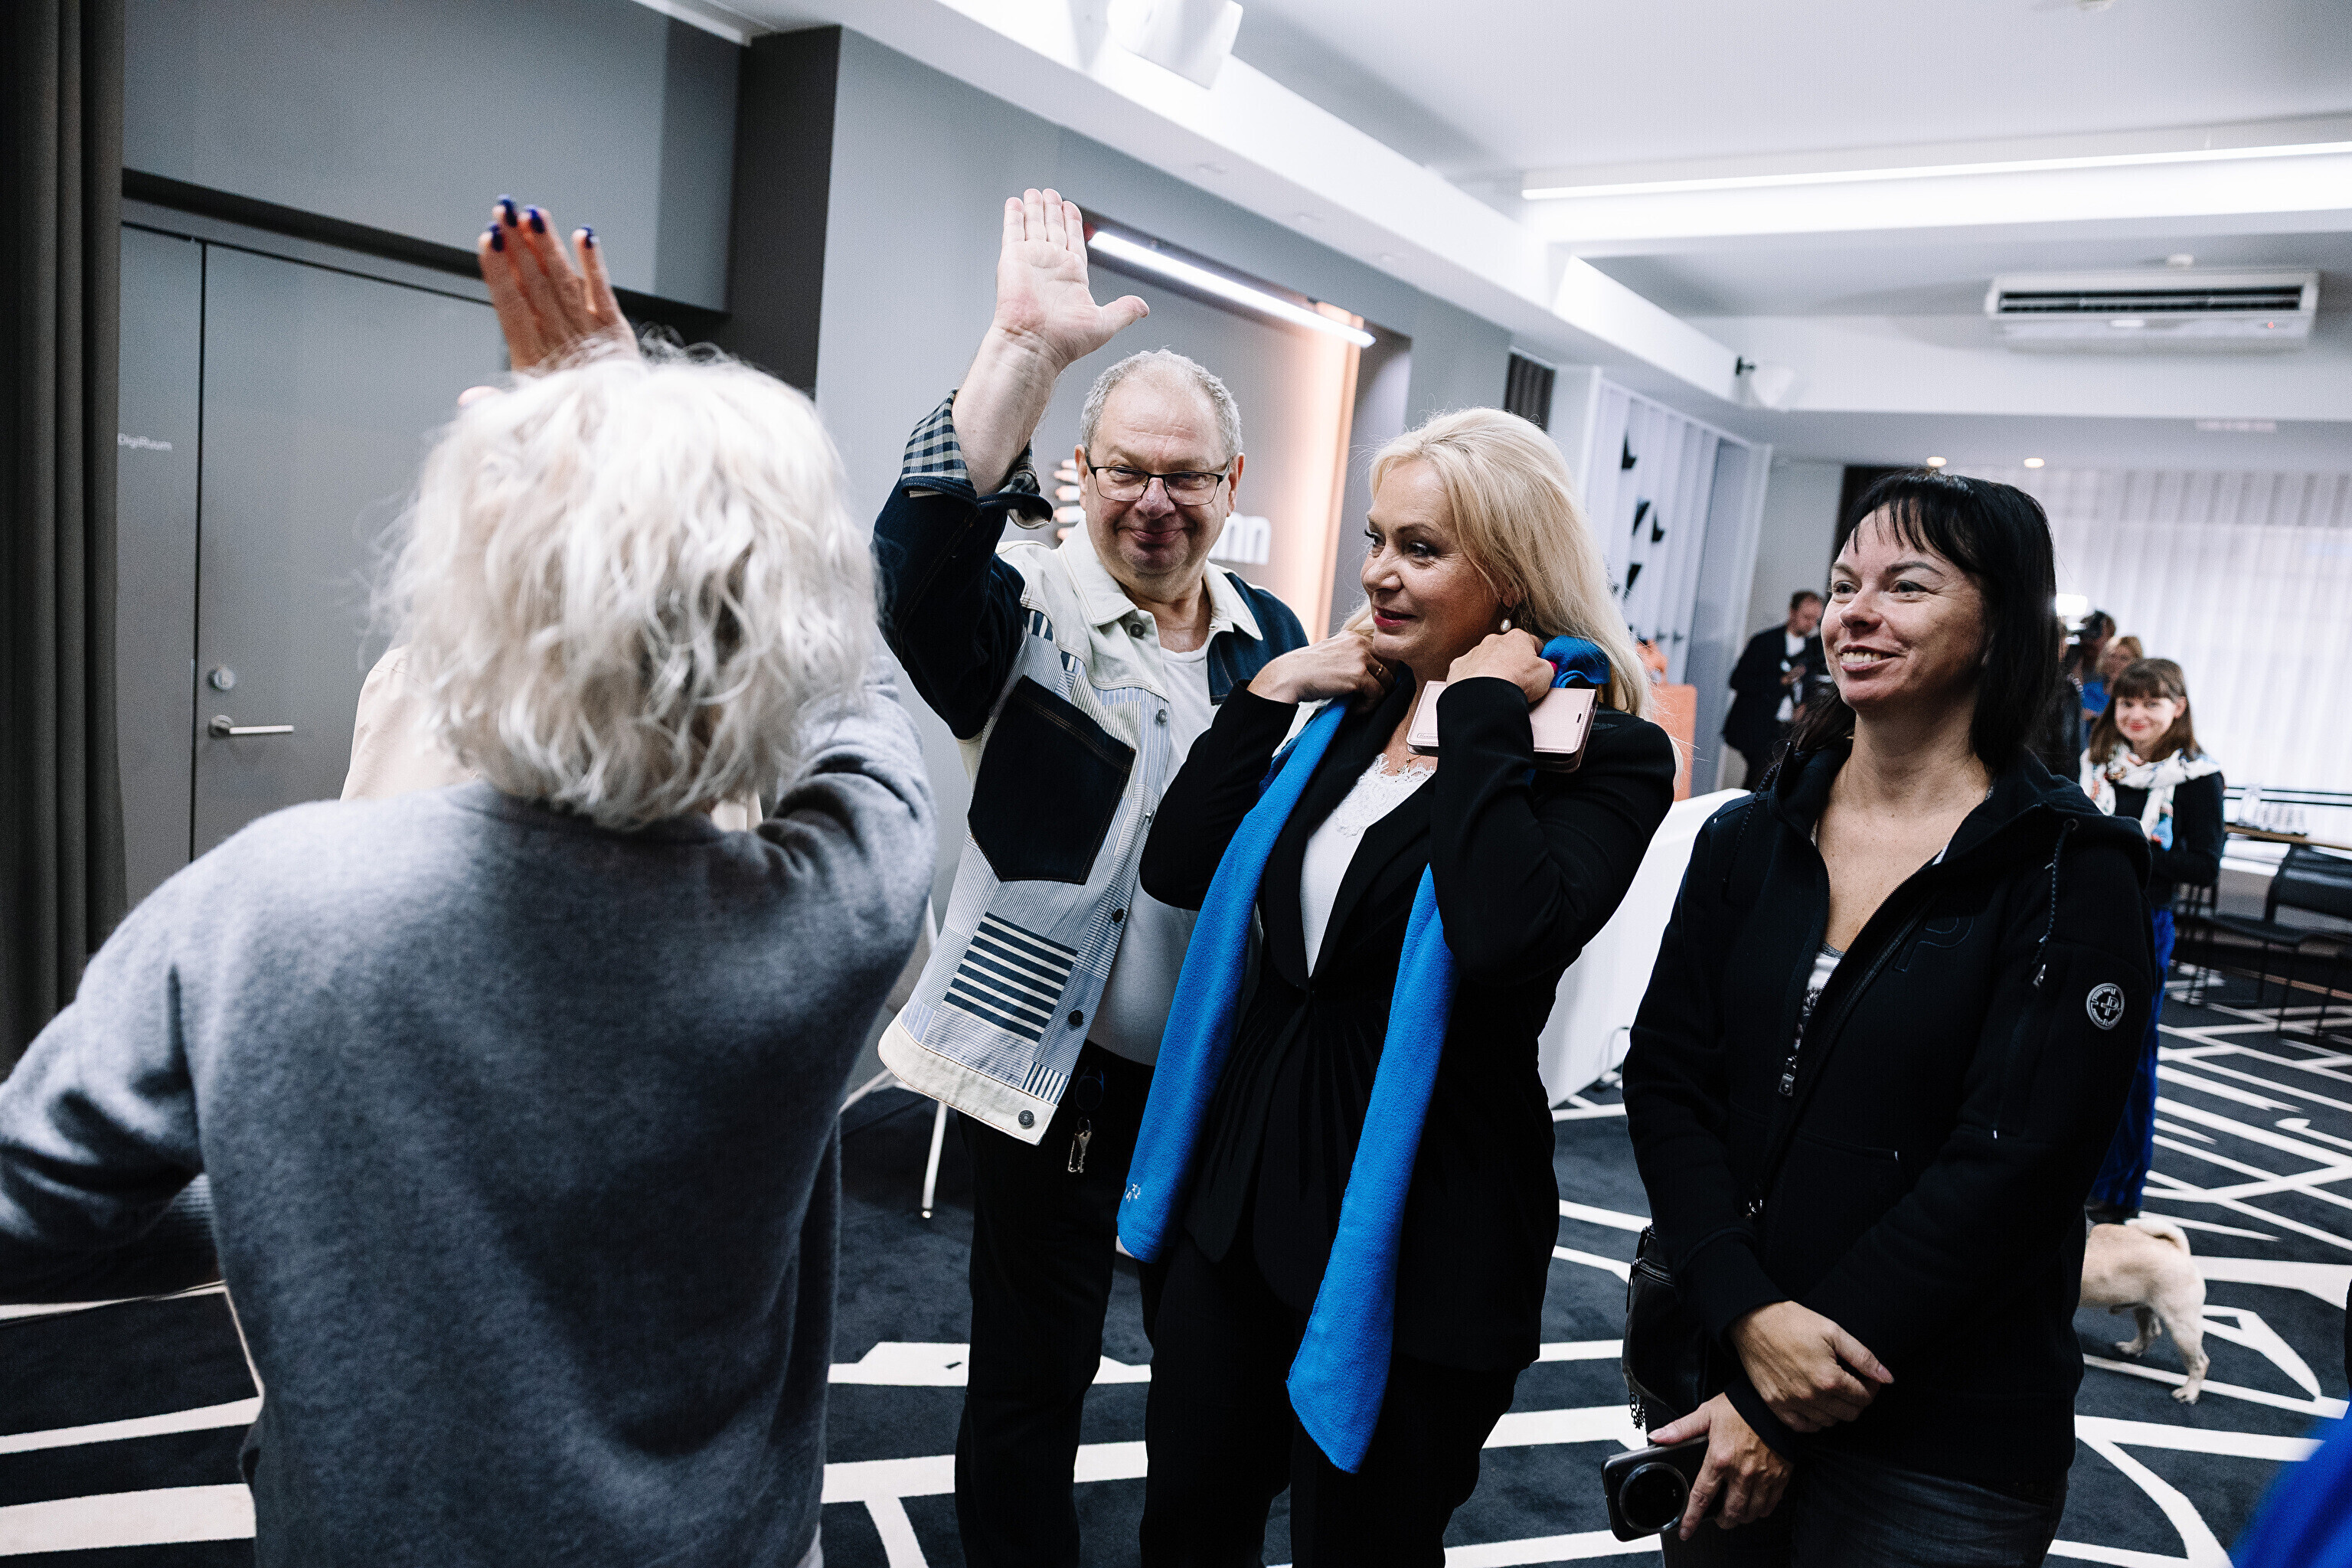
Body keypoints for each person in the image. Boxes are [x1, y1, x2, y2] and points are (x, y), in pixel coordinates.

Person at [0, 205, 933, 1568]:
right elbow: (858, 705)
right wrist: (676, 473)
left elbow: (24, 1216)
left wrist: (297, 1206)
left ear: (468, 598)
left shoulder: (270, 907)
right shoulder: (837, 904)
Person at [1128, 407, 1675, 1563]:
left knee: (1363, 1548)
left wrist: (1480, 713)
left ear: (1513, 576)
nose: (1378, 571)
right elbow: (1180, 869)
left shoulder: (1607, 752)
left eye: (1420, 549)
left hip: (1427, 1226)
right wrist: (1271, 690)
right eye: (1377, 538)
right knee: (1187, 1525)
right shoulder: (1352, 704)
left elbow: (1502, 934)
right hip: (1243, 1197)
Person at [870, 188, 1309, 1568]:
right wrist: (1019, 350)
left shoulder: (1274, 642)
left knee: (1217, 1372)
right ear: (1080, 470)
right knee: (1029, 1379)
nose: (1154, 503)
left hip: (1216, 1079)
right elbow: (914, 572)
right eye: (1126, 470)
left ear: (1232, 486)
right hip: (1055, 1074)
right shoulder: (1022, 604)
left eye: (1187, 476)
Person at [1622, 469, 2155, 1566]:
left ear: (2000, 623)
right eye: (1842, 585)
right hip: (1722, 1355)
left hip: (1941, 1435)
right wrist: (1745, 1313)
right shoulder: (1746, 838)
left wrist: (1788, 1388)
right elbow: (1668, 1075)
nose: (1855, 613)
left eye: (1906, 586)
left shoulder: (2071, 865)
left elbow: (2016, 1164)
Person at [2081, 657, 2223, 1223]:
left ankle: (2119, 1189)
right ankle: (2069, 1168)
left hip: (2144, 922)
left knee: (2131, 1055)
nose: (2137, 714)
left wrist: (2131, 848)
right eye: (2127, 703)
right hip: (2083, 916)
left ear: (2178, 708)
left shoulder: (2197, 777)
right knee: (2072, 1047)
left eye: (2151, 703)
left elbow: (2204, 865)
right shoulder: (2099, 765)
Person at [1723, 591, 1824, 786]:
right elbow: (1738, 681)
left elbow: (1811, 684)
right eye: (1806, 617)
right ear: (1792, 612)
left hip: (1789, 728)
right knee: (1759, 777)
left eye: (1815, 620)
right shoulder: (1765, 642)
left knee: (1775, 779)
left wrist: (1805, 705)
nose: (1811, 624)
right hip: (1759, 724)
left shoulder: (1813, 649)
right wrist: (1781, 681)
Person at [2079, 633, 2141, 720]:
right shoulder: (2087, 690)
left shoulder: (2137, 696)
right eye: (2112, 656)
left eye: (2124, 658)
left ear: (2136, 663)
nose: (2116, 662)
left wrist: (2094, 717)